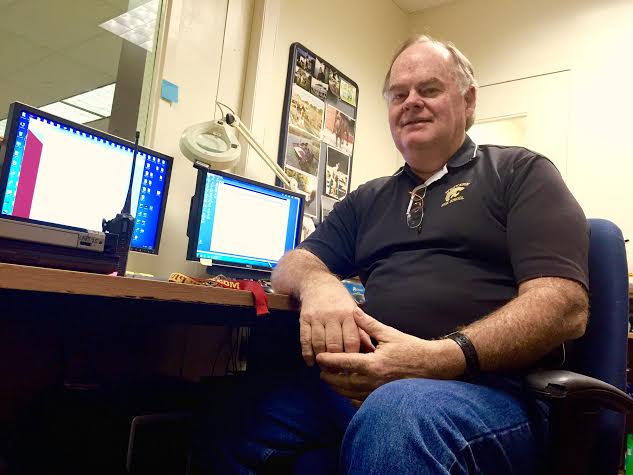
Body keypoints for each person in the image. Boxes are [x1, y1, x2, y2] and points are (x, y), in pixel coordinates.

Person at [207, 35, 588, 474]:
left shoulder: (520, 173)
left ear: (468, 102)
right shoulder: (370, 198)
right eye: (398, 95)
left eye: (428, 90)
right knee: (229, 409)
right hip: (371, 385)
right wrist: (321, 285)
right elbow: (292, 263)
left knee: (399, 412)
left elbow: (564, 305)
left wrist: (442, 357)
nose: (411, 103)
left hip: (492, 392)